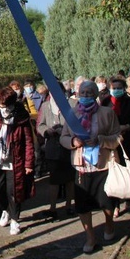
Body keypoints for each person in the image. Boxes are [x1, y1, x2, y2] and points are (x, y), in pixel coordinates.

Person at [60, 80, 122, 254]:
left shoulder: (107, 113)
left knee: (106, 202)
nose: (86, 95)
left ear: (95, 94)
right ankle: (90, 237)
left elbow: (118, 137)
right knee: (83, 205)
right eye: (83, 92)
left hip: (103, 165)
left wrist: (102, 140)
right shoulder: (72, 114)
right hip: (82, 166)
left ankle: (109, 226)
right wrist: (73, 141)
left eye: (89, 93)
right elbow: (63, 137)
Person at [0, 86, 35, 236]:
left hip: (15, 161)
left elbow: (29, 142)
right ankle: (5, 210)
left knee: (14, 191)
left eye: (6, 106)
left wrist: (29, 163)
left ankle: (15, 219)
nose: (3, 109)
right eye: (0, 106)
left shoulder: (21, 117)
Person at [101, 76, 130, 215]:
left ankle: (129, 200)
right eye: (114, 88)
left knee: (128, 170)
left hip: (128, 140)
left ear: (124, 89)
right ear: (109, 89)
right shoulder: (105, 102)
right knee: (113, 173)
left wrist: (127, 126)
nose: (117, 90)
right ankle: (115, 204)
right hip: (111, 142)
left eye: (119, 88)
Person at [36, 81, 75, 219]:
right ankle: (52, 208)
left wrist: (65, 130)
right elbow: (40, 125)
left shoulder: (72, 104)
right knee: (54, 179)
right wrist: (47, 131)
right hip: (53, 146)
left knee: (70, 179)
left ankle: (69, 205)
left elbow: (77, 122)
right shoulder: (46, 106)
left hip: (69, 145)